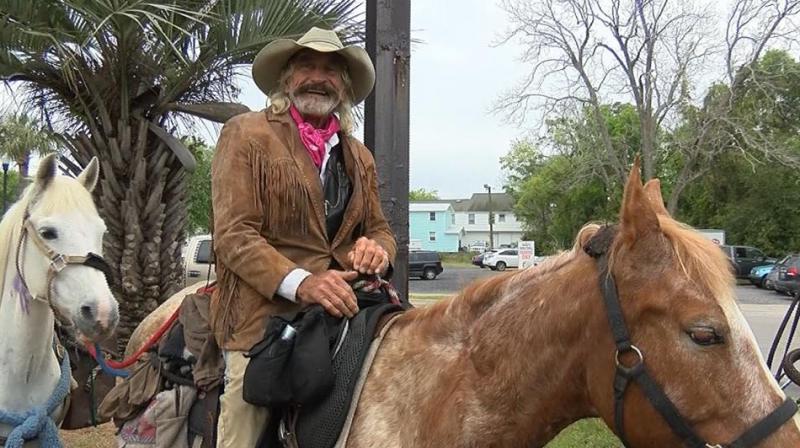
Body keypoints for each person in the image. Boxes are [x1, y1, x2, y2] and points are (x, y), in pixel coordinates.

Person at [209, 27, 397, 447]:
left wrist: (376, 250)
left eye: (331, 70)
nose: (319, 77)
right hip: (262, 315)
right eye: (308, 66)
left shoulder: (357, 154)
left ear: (344, 86)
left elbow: (380, 229)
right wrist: (304, 283)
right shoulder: (247, 133)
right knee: (246, 412)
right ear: (288, 78)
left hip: (344, 308)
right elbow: (234, 235)